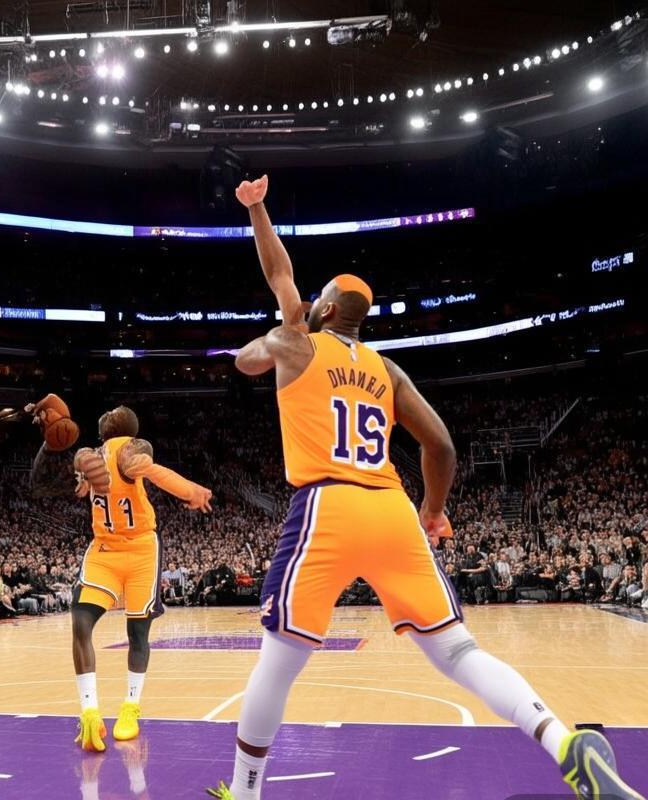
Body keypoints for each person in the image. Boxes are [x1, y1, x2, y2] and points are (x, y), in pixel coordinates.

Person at [207, 174, 643, 800]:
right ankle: (561, 740)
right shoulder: (387, 369)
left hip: (326, 504)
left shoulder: (293, 343)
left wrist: (274, 318)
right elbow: (440, 446)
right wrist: (433, 511)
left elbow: (252, 343)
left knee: (278, 663)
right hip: (391, 508)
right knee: (460, 652)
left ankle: (245, 792)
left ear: (322, 310)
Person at [31, 397, 213, 752]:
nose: (107, 414)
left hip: (141, 549)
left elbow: (145, 464)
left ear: (124, 427)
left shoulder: (132, 448)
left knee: (137, 633)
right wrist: (48, 444)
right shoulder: (88, 457)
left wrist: (188, 489)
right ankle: (89, 713)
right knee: (80, 622)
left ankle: (130, 708)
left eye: (113, 414)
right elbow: (40, 486)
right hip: (104, 549)